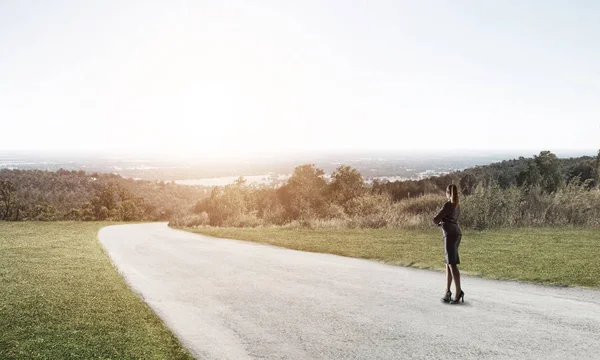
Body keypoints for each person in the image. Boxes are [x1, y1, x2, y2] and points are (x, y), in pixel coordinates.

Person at [433, 184, 464, 304]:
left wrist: (438, 221)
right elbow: (451, 220)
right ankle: (447, 292)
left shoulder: (448, 204)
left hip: (449, 235)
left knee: (452, 264)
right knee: (449, 263)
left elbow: (436, 219)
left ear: (447, 193)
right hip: (456, 233)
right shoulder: (457, 205)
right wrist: (444, 222)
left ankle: (458, 291)